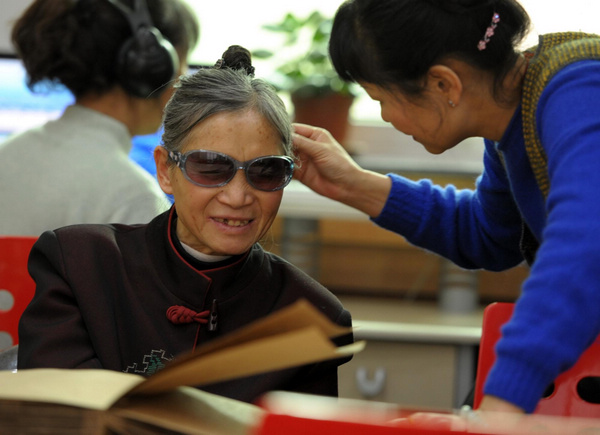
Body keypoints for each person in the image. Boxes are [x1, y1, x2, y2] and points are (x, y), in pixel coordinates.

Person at [291, 0, 600, 417]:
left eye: (381, 97)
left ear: (443, 85)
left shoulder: (579, 89)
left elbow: (585, 244)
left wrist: (502, 401)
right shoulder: (512, 121)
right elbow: (491, 235)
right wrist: (354, 184)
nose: (385, 115)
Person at [17, 45, 354, 403]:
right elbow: (53, 417)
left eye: (266, 171)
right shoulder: (79, 266)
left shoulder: (312, 316)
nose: (238, 197)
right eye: (210, 167)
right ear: (165, 170)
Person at [0, 0, 199, 236]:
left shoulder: (7, 155)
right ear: (150, 68)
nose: (181, 83)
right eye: (182, 67)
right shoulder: (132, 199)